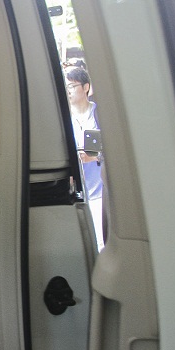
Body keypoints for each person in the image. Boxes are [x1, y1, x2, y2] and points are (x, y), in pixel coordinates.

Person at [65, 66, 104, 250]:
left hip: (100, 193)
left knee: (99, 242)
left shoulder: (100, 115)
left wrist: (95, 157)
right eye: (67, 87)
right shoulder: (63, 118)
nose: (69, 90)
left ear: (86, 87)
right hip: (74, 193)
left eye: (72, 86)